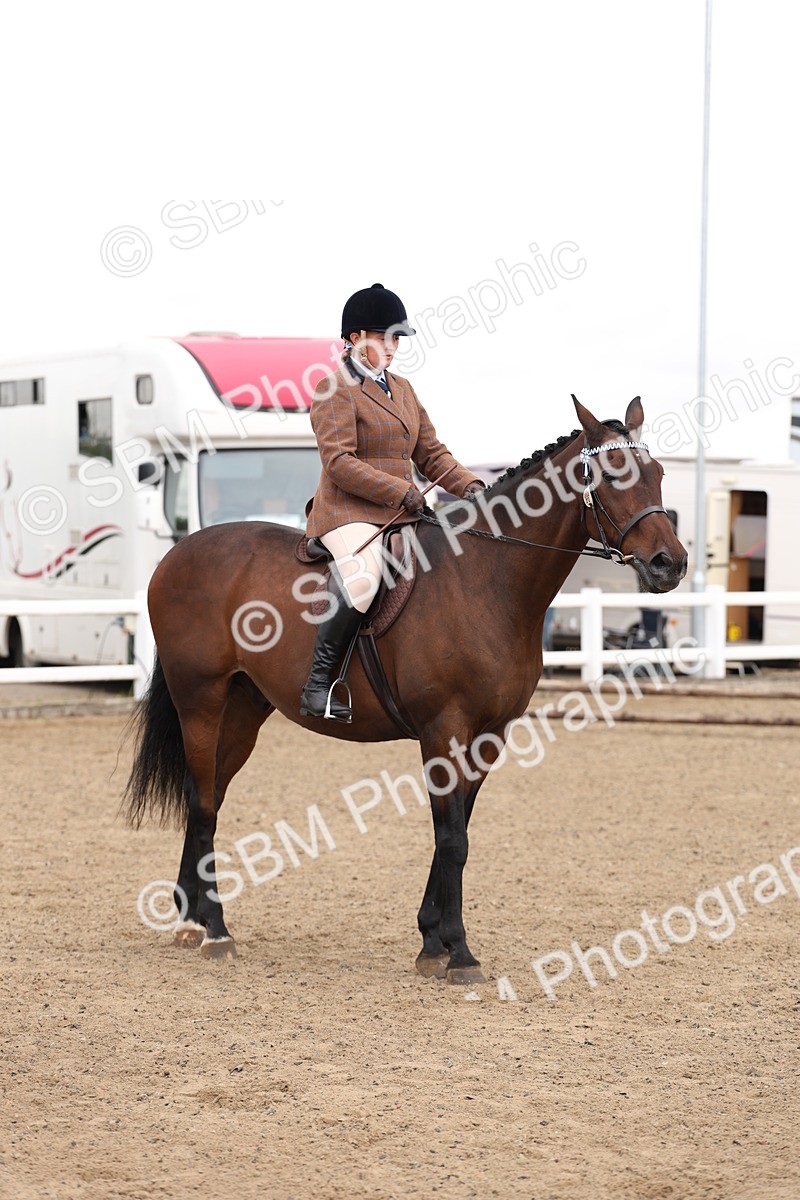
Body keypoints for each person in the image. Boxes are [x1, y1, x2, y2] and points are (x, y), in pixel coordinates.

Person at [300, 282, 485, 722]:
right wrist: (400, 491)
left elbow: (432, 454)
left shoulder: (403, 389)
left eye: (397, 339)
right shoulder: (334, 389)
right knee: (364, 576)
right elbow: (339, 463)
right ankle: (318, 685)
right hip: (348, 512)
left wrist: (473, 488)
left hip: (402, 511)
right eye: (384, 338)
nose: (393, 347)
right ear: (354, 339)